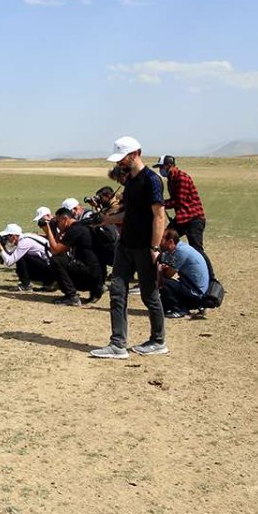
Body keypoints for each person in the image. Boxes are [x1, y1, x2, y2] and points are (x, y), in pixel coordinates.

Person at [90, 136, 169, 360]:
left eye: (122, 159)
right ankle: (117, 344)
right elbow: (130, 214)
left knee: (149, 295)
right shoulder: (131, 182)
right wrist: (106, 220)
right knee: (117, 292)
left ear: (135, 154)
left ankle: (158, 340)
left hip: (144, 247)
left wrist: (154, 247)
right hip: (124, 246)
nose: (119, 164)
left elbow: (159, 216)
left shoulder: (152, 180)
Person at [42, 208, 105, 305]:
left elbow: (55, 251)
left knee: (56, 261)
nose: (57, 225)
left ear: (65, 219)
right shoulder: (82, 226)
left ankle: (71, 297)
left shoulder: (75, 230)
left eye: (58, 222)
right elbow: (61, 247)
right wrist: (55, 230)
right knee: (63, 259)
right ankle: (96, 289)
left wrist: (48, 231)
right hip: (98, 274)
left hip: (89, 274)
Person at [154, 155, 206, 251]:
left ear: (169, 165)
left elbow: (178, 201)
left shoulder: (181, 178)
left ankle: (205, 266)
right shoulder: (171, 179)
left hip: (193, 219)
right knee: (165, 239)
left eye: (162, 167)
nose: (160, 170)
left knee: (197, 250)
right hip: (183, 218)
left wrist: (159, 204)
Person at [157, 229, 209, 318]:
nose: (159, 244)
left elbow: (168, 275)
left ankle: (179, 309)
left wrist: (159, 268)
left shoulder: (181, 252)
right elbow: (166, 262)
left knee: (163, 282)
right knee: (165, 283)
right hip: (196, 291)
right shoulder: (181, 248)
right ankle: (169, 307)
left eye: (161, 240)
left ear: (170, 241)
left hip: (196, 295)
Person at [0, 223, 52, 291]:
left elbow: (9, 262)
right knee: (22, 257)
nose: (6, 239)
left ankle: (26, 285)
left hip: (52, 271)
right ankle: (48, 283)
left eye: (7, 236)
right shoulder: (26, 237)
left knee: (21, 258)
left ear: (14, 236)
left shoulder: (24, 242)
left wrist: (0, 247)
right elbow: (12, 254)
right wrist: (3, 248)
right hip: (52, 268)